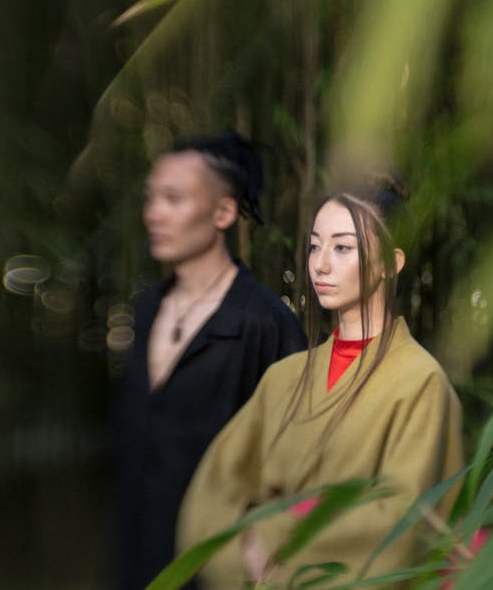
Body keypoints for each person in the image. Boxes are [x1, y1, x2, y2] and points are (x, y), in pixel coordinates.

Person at [176, 176, 465, 588]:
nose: (321, 264)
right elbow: (213, 494)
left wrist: (274, 541)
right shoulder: (282, 378)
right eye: (315, 245)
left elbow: (404, 524)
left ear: (390, 262)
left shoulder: (420, 382)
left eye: (342, 247)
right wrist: (241, 558)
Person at [112, 131, 306, 590]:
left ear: (223, 211)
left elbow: (300, 453)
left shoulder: (264, 323)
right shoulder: (145, 311)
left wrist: (268, 546)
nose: (153, 213)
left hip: (222, 565)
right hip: (136, 557)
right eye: (151, 198)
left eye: (173, 199)